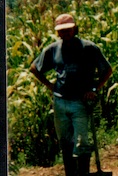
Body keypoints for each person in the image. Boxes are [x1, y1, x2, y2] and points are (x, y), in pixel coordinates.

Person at [30, 13, 112, 176]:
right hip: (60, 102)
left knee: (81, 142)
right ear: (57, 32)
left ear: (75, 29)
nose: (65, 33)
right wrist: (50, 85)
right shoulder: (53, 49)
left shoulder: (88, 48)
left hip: (80, 102)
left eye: (68, 30)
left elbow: (107, 70)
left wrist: (94, 89)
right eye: (61, 31)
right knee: (65, 142)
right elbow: (34, 68)